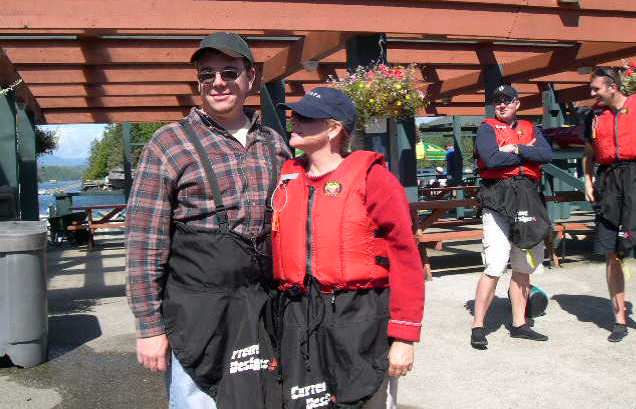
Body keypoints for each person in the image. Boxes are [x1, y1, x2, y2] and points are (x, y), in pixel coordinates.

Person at [125, 32, 290, 408]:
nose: (218, 82)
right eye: (207, 74)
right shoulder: (168, 144)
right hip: (197, 314)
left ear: (250, 77)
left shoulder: (274, 144)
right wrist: (149, 328)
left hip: (262, 309)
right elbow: (143, 244)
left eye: (229, 72)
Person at [270, 87, 425, 408]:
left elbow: (406, 258)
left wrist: (404, 337)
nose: (294, 121)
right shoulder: (288, 176)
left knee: (365, 398)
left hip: (360, 315)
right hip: (299, 313)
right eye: (294, 115)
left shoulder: (375, 179)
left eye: (306, 117)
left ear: (333, 128)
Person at [471, 84, 553, 349]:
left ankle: (520, 324)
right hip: (497, 198)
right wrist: (528, 154)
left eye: (507, 100)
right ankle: (478, 326)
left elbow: (547, 154)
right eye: (498, 101)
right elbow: (492, 160)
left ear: (517, 103)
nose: (502, 105)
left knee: (523, 265)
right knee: (495, 264)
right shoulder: (487, 129)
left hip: (527, 198)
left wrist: (515, 149)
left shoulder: (531, 128)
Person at [583, 66, 636, 343]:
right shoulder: (593, 116)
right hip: (608, 183)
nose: (592, 93)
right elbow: (589, 153)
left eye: (596, 89)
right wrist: (587, 180)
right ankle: (619, 320)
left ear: (613, 87)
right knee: (611, 252)